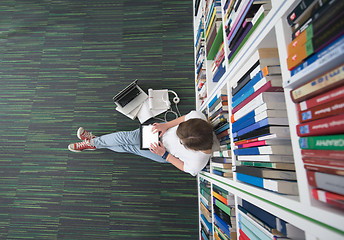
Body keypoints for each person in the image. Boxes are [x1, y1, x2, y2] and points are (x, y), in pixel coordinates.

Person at [68, 111, 219, 176]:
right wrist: (166, 126)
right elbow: (185, 117)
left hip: (163, 153)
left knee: (128, 147)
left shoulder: (199, 162)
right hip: (161, 132)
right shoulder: (198, 118)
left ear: (193, 148)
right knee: (126, 138)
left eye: (181, 142)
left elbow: (184, 167)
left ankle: (93, 143)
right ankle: (94, 142)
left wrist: (165, 155)